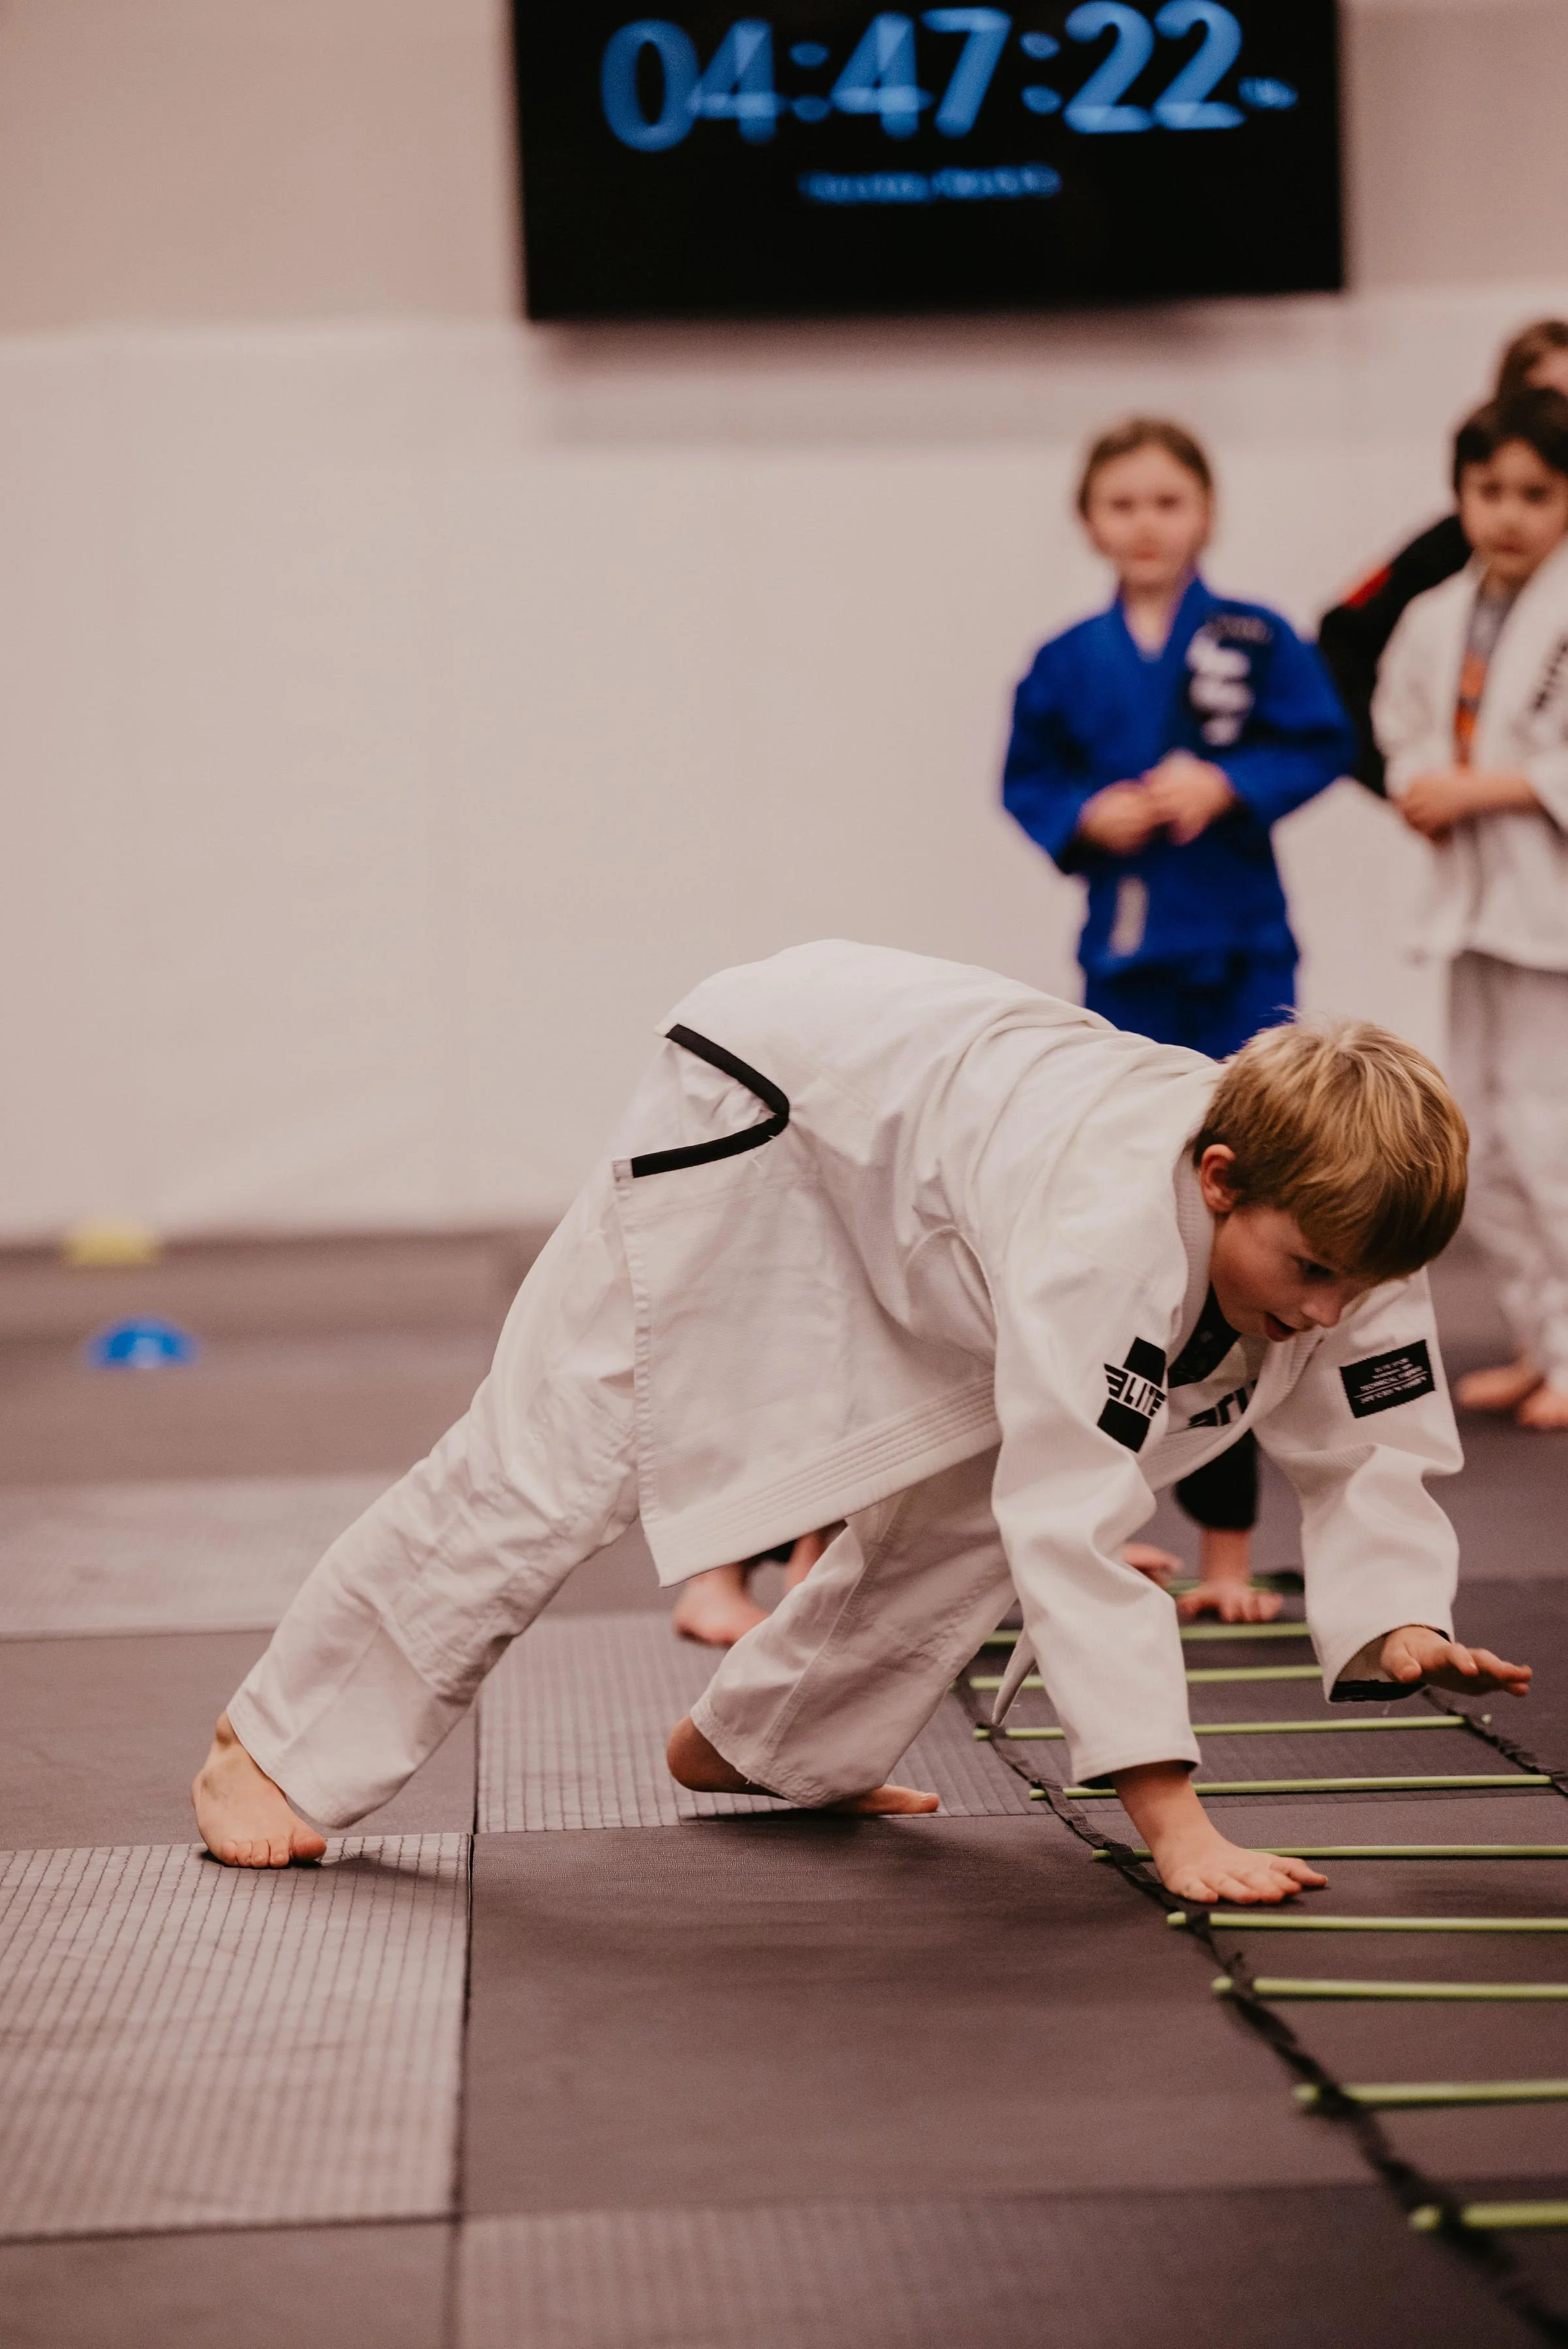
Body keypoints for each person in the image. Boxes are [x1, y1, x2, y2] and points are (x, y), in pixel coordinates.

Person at [192, 941, 1530, 1905]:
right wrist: (1175, 1828)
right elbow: (1073, 1530)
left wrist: (1397, 1613)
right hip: (768, 1092)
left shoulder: (1354, 1229)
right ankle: (276, 1745)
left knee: (971, 1485)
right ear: (1218, 1180)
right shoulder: (1104, 1238)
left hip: (929, 1162)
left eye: (1362, 1286)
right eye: (1310, 1276)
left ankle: (767, 1742)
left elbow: (1374, 1443)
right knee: (576, 1445)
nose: (1333, 1310)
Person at [1002, 418, 1355, 1622]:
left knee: (1254, 1232)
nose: (1144, 524)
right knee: (1138, 1235)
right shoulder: (1064, 660)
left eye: (1165, 502)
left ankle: (1225, 1549)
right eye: (1119, 504)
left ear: (1203, 516)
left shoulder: (1252, 638)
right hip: (1126, 964)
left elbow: (1318, 742)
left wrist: (1228, 781)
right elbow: (1026, 779)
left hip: (1238, 958)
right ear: (1088, 521)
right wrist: (1081, 819)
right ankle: (1106, 1527)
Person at [1374, 387, 1568, 1432]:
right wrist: (1416, 780)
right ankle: (1540, 1343)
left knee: (1551, 1135)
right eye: (1485, 489)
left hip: (1550, 915)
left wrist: (1481, 788)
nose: (1505, 513)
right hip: (1471, 906)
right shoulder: (1436, 612)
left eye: (1533, 493)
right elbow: (1399, 718)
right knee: (1483, 1139)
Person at [1321, 318, 1568, 796]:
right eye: (1547, 398)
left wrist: (1506, 790)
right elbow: (1341, 643)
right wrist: (1406, 785)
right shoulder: (1454, 546)